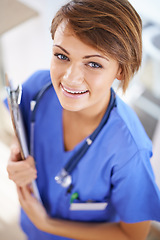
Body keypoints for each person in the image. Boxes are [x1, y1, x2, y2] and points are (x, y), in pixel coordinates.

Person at [7, 0, 160, 239]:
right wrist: (17, 154)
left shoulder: (129, 151)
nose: (70, 78)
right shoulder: (38, 87)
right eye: (62, 56)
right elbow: (21, 125)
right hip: (30, 229)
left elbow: (134, 235)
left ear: (120, 69)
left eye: (93, 63)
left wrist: (47, 224)